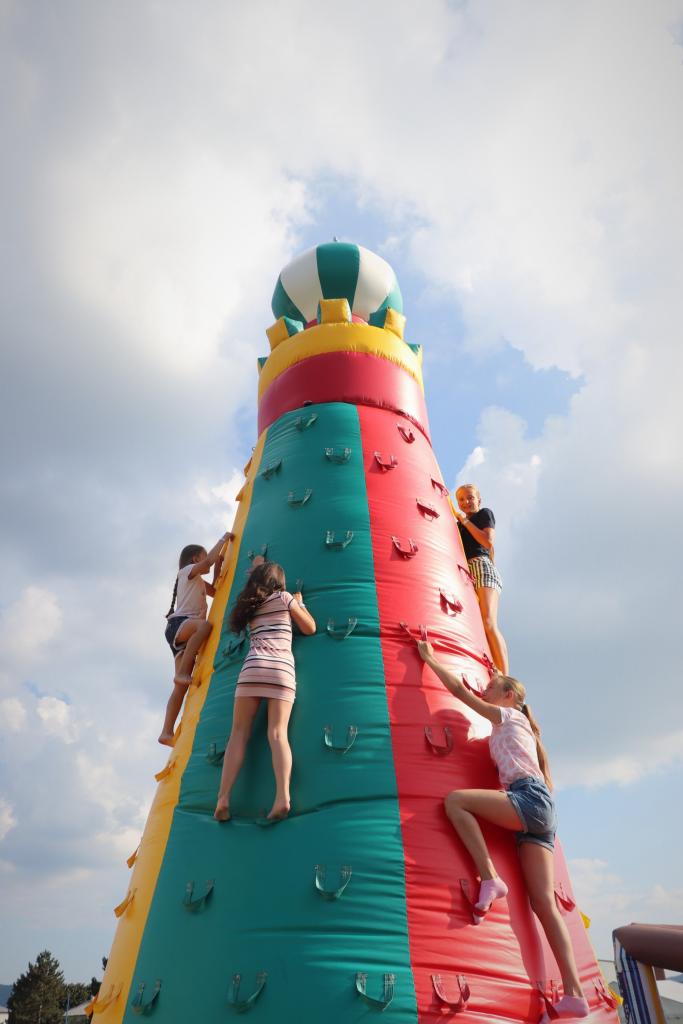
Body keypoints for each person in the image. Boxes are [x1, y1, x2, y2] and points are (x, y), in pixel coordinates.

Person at [417, 640, 588, 1022]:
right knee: (543, 904)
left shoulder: (508, 716)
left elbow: (460, 692)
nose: (484, 690)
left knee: (456, 802)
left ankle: (490, 876)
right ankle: (574, 993)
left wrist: (430, 659)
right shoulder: (514, 726)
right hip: (542, 809)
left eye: (491, 687)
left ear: (509, 696)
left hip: (528, 798)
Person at [214, 560, 316, 823]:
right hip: (281, 669)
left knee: (238, 734)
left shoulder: (250, 606)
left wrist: (256, 563)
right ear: (279, 583)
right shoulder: (284, 598)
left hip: (253, 667)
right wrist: (300, 603)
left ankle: (223, 799)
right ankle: (282, 797)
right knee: (277, 734)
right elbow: (309, 628)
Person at [159, 532, 233, 746]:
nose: (206, 559)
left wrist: (219, 566)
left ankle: (166, 732)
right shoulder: (187, 572)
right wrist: (223, 540)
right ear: (194, 559)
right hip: (180, 625)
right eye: (203, 555)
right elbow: (208, 562)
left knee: (180, 688)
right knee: (205, 626)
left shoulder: (198, 581)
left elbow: (216, 590)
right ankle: (183, 673)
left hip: (183, 635)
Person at [454, 484, 509, 674]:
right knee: (479, 625)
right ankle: (495, 670)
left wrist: (465, 521)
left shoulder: (483, 514)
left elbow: (487, 541)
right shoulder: (459, 526)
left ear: (479, 499)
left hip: (482, 566)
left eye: (470, 497)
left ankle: (505, 678)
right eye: (461, 499)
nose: (466, 502)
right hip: (467, 572)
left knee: (488, 622)